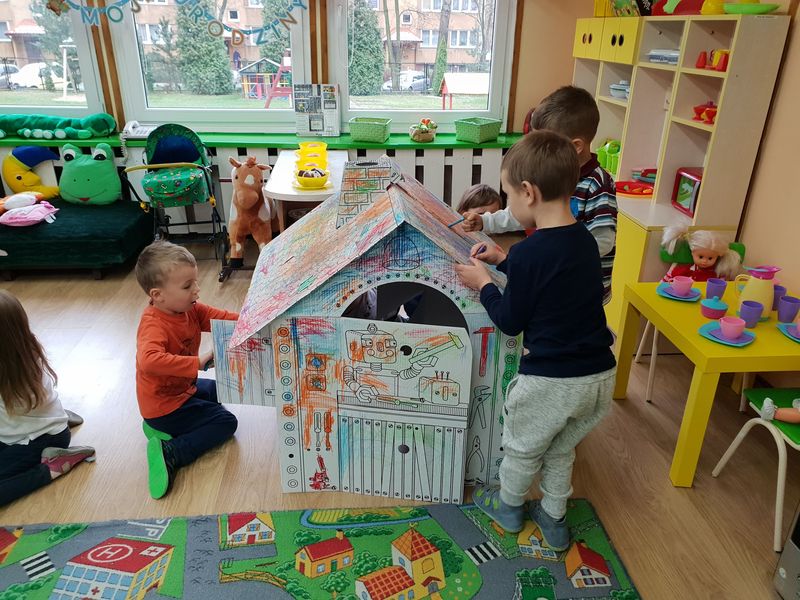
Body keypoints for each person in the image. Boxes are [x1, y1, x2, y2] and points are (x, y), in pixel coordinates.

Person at [455, 131, 617, 551]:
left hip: (551, 381)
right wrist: (505, 261)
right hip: (598, 378)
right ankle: (554, 517)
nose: (508, 206)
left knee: (523, 448)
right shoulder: (585, 240)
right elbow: (553, 280)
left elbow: (510, 321)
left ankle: (509, 507)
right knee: (561, 449)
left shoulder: (530, 253)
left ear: (528, 192)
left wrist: (484, 283)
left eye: (508, 196)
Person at [462, 86, 617, 305]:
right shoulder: (548, 174)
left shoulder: (598, 184)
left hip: (582, 292)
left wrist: (548, 256)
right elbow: (521, 213)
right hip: (553, 283)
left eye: (545, 145)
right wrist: (485, 221)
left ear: (575, 146)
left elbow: (604, 241)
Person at [135, 241, 239, 499]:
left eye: (195, 282)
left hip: (182, 390)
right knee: (226, 422)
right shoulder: (153, 325)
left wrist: (253, 320)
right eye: (187, 286)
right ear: (158, 295)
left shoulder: (189, 309)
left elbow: (222, 318)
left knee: (223, 389)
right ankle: (172, 451)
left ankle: (167, 429)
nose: (197, 290)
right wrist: (198, 362)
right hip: (165, 407)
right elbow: (148, 360)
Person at [0, 290, 95, 507]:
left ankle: (53, 467)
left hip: (38, 439)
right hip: (25, 426)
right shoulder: (22, 350)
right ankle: (56, 417)